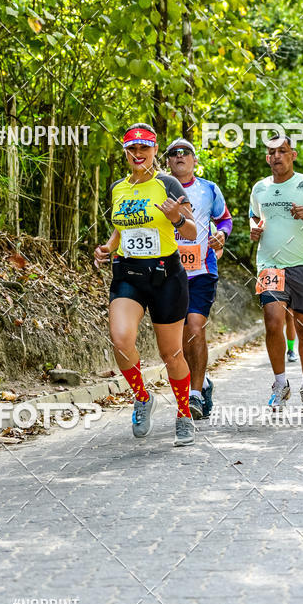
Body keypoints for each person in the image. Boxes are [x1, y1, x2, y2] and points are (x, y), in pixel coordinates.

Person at [94, 123, 197, 445]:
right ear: (125, 152)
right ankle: (142, 397)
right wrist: (109, 247)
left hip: (166, 275)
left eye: (144, 148)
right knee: (121, 340)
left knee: (171, 354)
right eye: (132, 149)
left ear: (154, 151)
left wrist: (177, 219)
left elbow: (192, 232)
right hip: (128, 273)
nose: (138, 154)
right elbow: (120, 227)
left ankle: (184, 413)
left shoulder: (167, 183)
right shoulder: (118, 188)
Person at [248, 135, 303, 411]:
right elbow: (255, 216)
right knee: (273, 322)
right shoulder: (260, 188)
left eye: (282, 151)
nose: (277, 156)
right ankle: (280, 384)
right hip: (270, 265)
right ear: (267, 158)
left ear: (293, 155)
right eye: (272, 152)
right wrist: (254, 229)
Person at [165, 137, 233, 420]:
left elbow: (225, 219)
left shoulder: (209, 189)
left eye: (186, 153)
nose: (180, 156)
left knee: (195, 325)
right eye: (174, 153)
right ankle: (202, 383)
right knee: (178, 337)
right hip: (168, 270)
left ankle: (193, 396)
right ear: (167, 161)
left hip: (202, 270)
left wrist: (222, 235)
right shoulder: (159, 188)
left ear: (194, 160)